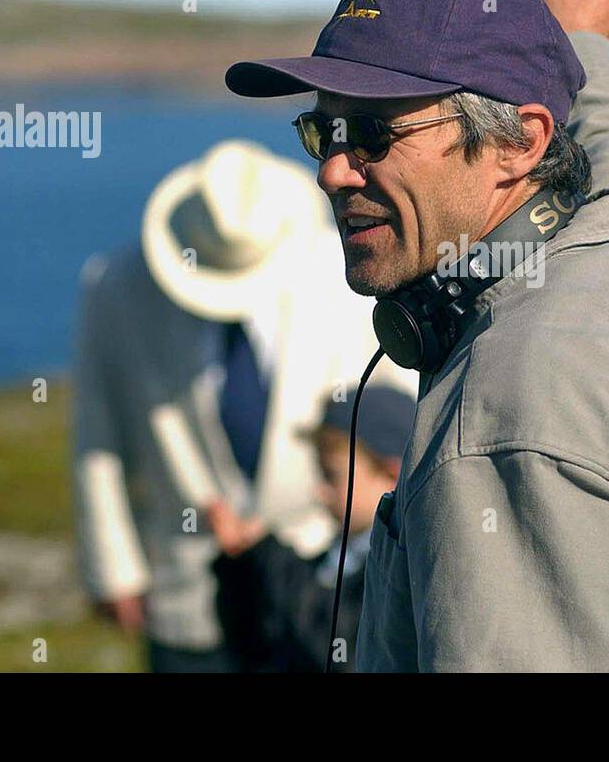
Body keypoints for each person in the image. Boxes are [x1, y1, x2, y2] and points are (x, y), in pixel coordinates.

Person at [224, 0, 609, 672]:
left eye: (370, 133)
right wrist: (586, 50)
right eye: (323, 131)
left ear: (521, 144)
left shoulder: (510, 415)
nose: (332, 172)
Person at [71, 139, 414, 673]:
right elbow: (96, 433)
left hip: (320, 591)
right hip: (187, 595)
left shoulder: (353, 271)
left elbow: (400, 411)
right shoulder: (116, 287)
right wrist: (112, 567)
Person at [212, 384, 416, 672]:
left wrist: (270, 557)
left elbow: (337, 650)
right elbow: (256, 647)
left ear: (390, 474)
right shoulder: (328, 563)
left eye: (331, 475)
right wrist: (241, 569)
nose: (320, 491)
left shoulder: (398, 574)